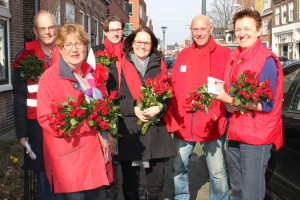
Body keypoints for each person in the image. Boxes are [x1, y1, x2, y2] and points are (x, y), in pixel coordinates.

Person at [213, 9, 283, 200]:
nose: (241, 33)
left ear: (259, 31)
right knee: (236, 191)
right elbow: (231, 92)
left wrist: (230, 100)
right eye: (237, 29)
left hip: (255, 136)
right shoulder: (234, 57)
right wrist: (227, 104)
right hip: (234, 132)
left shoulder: (266, 60)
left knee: (251, 194)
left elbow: (266, 105)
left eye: (247, 28)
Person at [37, 23, 109, 199]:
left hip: (94, 158)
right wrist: (86, 124)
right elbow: (46, 119)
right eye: (68, 45)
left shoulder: (90, 74)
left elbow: (103, 108)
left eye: (79, 44)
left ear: (86, 46)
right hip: (69, 162)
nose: (74, 49)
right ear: (60, 49)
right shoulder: (49, 78)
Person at [106, 26, 177, 200]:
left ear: (152, 44)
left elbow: (168, 95)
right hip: (131, 133)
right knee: (130, 183)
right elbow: (111, 101)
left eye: (147, 42)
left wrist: (160, 107)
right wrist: (133, 108)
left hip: (157, 133)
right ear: (131, 43)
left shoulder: (159, 65)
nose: (142, 46)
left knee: (156, 183)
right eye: (139, 42)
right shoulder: (118, 67)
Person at [168, 15, 230, 200]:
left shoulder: (224, 54)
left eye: (203, 29)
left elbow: (230, 86)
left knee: (217, 173)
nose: (200, 33)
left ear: (211, 29)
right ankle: (181, 197)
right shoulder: (183, 55)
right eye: (196, 29)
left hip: (211, 122)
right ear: (191, 31)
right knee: (178, 169)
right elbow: (173, 86)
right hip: (184, 124)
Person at [12, 10, 60, 200]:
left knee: (65, 177)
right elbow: (19, 97)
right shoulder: (24, 57)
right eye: (42, 28)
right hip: (36, 128)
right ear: (35, 31)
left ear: (57, 28)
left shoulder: (68, 52)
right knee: (43, 179)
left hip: (64, 125)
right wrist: (22, 132)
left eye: (51, 27)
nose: (48, 32)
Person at [87, 15, 125, 200]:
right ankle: (111, 190)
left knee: (126, 151)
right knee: (109, 151)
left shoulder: (129, 50)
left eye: (119, 29)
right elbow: (89, 79)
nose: (116, 33)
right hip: (106, 108)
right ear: (105, 32)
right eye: (112, 30)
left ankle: (129, 188)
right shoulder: (95, 51)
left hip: (127, 108)